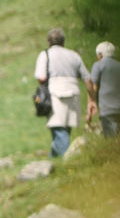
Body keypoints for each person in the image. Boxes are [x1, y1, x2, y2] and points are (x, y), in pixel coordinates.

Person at [34, 29, 92, 157]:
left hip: (55, 94)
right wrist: (92, 100)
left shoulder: (45, 55)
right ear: (63, 42)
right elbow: (88, 79)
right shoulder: (74, 55)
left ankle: (66, 162)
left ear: (48, 42)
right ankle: (54, 160)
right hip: (74, 93)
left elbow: (41, 77)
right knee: (65, 129)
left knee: (59, 130)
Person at [86, 41, 120, 137]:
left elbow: (93, 87)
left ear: (100, 55)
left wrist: (89, 112)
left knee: (113, 143)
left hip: (109, 112)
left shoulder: (98, 65)